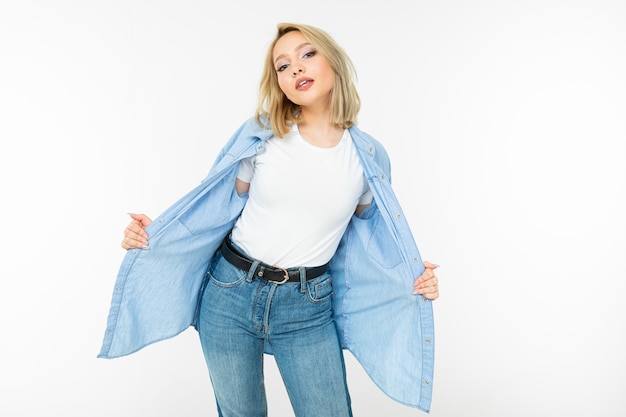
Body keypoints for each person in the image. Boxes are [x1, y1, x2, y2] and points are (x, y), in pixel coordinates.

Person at [103, 22, 439, 416]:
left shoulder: (368, 157)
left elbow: (372, 240)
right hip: (229, 291)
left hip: (307, 304)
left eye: (307, 54)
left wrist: (411, 275)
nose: (295, 69)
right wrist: (154, 234)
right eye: (282, 66)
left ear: (333, 61)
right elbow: (214, 206)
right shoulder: (263, 134)